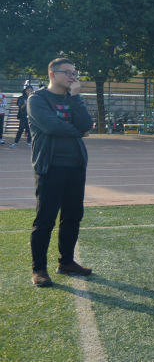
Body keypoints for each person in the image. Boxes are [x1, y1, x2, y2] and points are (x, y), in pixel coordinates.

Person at [27, 58, 93, 287]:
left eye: (75, 72)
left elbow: (86, 124)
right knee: (45, 220)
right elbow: (50, 126)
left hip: (75, 167)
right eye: (68, 72)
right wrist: (78, 132)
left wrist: (76, 97)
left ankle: (66, 262)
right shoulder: (37, 99)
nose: (73, 77)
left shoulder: (72, 97)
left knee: (73, 216)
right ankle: (39, 269)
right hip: (49, 167)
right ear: (53, 74)